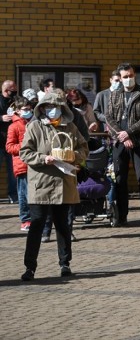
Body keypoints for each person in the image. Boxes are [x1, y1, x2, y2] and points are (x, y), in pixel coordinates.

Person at [19, 88, 88, 281]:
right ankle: (30, 267)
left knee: (63, 225)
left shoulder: (70, 127)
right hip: (40, 183)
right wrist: (43, 158)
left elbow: (83, 147)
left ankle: (65, 263)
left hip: (63, 183)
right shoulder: (34, 127)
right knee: (37, 225)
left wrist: (75, 156)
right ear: (41, 108)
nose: (52, 110)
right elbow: (25, 153)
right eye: (48, 106)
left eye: (56, 106)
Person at [105, 62, 140, 227]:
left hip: (139, 141)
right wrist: (122, 135)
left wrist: (130, 132)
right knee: (120, 179)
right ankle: (122, 216)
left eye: (131, 75)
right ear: (120, 78)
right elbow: (109, 117)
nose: (129, 79)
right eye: (125, 77)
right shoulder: (114, 94)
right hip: (120, 142)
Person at [5, 97, 33, 231]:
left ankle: (34, 218)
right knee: (23, 194)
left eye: (30, 109)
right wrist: (24, 146)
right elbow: (9, 147)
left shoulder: (34, 122)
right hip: (22, 165)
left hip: (35, 163)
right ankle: (26, 219)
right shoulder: (14, 126)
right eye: (25, 109)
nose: (28, 111)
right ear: (17, 111)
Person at [1, 80, 19, 203]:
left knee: (13, 171)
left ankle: (13, 195)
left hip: (12, 142)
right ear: (7, 90)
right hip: (0, 142)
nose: (15, 91)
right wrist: (1, 118)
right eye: (13, 89)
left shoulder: (16, 101)